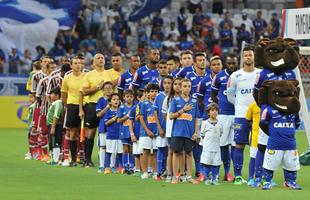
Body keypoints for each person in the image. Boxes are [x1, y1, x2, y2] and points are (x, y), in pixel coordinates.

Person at [227, 46, 261, 184]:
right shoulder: (235, 76)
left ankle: (257, 176)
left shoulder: (260, 74)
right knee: (239, 145)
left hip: (257, 116)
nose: (248, 57)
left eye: (250, 55)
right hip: (241, 115)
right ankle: (239, 176)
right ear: (243, 58)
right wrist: (240, 106)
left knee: (259, 146)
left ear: (254, 57)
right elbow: (230, 96)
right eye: (245, 55)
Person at [211, 53, 238, 182]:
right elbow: (213, 94)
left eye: (234, 63)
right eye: (229, 63)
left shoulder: (240, 76)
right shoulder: (219, 77)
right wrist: (220, 106)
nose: (232, 65)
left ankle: (233, 172)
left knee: (235, 145)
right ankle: (223, 172)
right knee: (222, 145)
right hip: (223, 116)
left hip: (238, 115)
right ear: (225, 64)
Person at [82, 53, 111, 167]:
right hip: (93, 105)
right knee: (90, 133)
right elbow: (84, 91)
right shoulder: (89, 75)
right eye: (98, 58)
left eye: (102, 58)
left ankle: (106, 161)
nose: (100, 59)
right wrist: (98, 87)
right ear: (93, 62)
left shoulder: (108, 74)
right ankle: (87, 159)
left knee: (108, 132)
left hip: (107, 105)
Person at [169, 78, 199, 184]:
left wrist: (196, 132)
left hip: (189, 133)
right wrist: (183, 110)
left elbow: (196, 118)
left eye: (189, 86)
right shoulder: (175, 100)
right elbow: (171, 116)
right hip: (178, 132)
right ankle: (174, 177)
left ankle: (189, 176)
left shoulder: (194, 101)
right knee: (176, 153)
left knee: (189, 153)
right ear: (180, 88)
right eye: (185, 86)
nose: (187, 88)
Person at [61, 57, 85, 167]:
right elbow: (63, 95)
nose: (78, 65)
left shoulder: (86, 77)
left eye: (79, 63)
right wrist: (68, 106)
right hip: (72, 106)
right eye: (75, 63)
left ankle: (85, 157)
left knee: (86, 132)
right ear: (71, 65)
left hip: (85, 105)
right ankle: (73, 159)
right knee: (73, 132)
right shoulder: (67, 78)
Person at [161, 77, 182, 182]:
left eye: (179, 84)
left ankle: (180, 174)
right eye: (175, 84)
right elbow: (164, 113)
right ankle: (170, 173)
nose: (177, 86)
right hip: (171, 130)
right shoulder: (168, 98)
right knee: (171, 151)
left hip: (182, 130)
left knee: (180, 152)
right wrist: (169, 124)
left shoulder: (185, 98)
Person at [139, 83, 160, 179]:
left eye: (156, 91)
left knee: (155, 152)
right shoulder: (144, 104)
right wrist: (147, 130)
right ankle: (145, 172)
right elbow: (141, 118)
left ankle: (155, 172)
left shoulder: (159, 103)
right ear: (147, 93)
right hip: (146, 132)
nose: (154, 93)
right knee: (145, 151)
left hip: (157, 132)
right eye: (152, 91)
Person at [154, 76, 173, 180]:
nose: (167, 85)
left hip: (173, 129)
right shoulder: (159, 96)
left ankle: (168, 171)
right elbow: (155, 113)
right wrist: (159, 128)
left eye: (169, 83)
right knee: (161, 149)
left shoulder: (174, 96)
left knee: (170, 150)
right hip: (162, 128)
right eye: (165, 83)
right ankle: (159, 172)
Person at [200, 103, 222, 185]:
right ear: (208, 112)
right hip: (207, 148)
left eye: (216, 110)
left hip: (216, 148)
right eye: (212, 110)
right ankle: (206, 178)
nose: (214, 112)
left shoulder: (220, 123)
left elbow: (221, 133)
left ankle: (214, 179)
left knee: (216, 164)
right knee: (207, 163)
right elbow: (202, 134)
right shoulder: (205, 123)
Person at [96, 82, 114, 173]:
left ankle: (111, 166)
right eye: (106, 88)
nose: (108, 90)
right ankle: (101, 166)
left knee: (112, 147)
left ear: (113, 90)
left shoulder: (116, 100)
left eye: (110, 88)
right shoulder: (101, 100)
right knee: (103, 146)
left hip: (114, 127)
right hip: (103, 127)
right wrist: (107, 107)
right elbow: (98, 114)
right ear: (103, 91)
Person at [103, 93, 123, 174]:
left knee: (119, 152)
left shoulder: (121, 110)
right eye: (114, 99)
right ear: (110, 102)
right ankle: (107, 167)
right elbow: (106, 123)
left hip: (120, 135)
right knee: (109, 151)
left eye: (117, 99)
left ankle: (118, 167)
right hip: (111, 135)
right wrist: (115, 117)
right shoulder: (108, 112)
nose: (116, 101)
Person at [117, 89, 135, 174]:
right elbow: (119, 120)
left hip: (132, 131)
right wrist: (127, 116)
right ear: (124, 97)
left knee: (131, 149)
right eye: (127, 96)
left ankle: (131, 166)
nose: (129, 98)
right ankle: (125, 166)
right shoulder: (121, 107)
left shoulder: (135, 107)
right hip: (124, 131)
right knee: (125, 149)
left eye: (131, 96)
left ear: (133, 98)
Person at [129, 90, 144, 176]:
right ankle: (138, 169)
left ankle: (145, 169)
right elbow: (130, 122)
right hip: (137, 133)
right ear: (138, 98)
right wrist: (132, 134)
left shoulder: (148, 106)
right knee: (137, 153)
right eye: (143, 97)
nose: (145, 98)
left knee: (144, 152)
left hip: (145, 134)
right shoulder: (134, 108)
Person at [46, 87, 63, 165]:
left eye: (52, 94)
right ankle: (53, 158)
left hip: (56, 125)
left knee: (56, 142)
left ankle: (55, 160)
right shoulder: (55, 103)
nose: (50, 95)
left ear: (57, 95)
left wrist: (53, 127)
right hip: (52, 125)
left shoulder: (58, 103)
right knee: (52, 142)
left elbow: (56, 115)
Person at [245, 101, 260, 186]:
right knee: (253, 157)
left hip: (267, 137)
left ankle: (267, 178)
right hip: (255, 137)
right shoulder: (253, 105)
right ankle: (251, 178)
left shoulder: (270, 104)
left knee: (267, 159)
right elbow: (248, 120)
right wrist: (254, 127)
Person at [25, 93, 37, 160]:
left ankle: (32, 152)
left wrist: (33, 125)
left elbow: (34, 116)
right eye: (29, 97)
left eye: (31, 97)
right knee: (30, 138)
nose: (30, 99)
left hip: (33, 125)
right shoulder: (31, 106)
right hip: (30, 125)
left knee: (32, 139)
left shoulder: (34, 106)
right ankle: (31, 151)